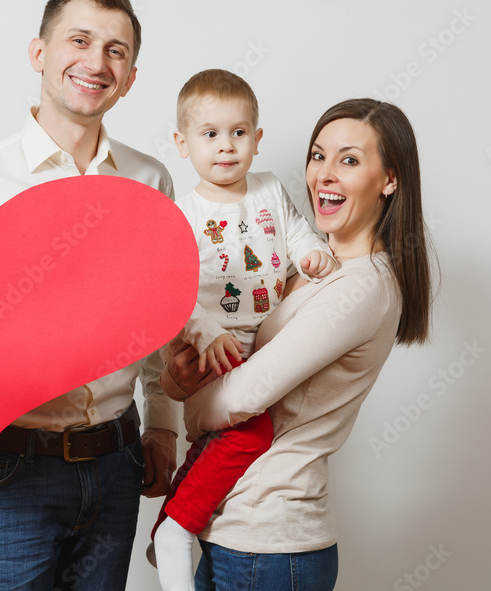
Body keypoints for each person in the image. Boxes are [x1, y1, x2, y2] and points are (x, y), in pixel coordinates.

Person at [0, 0, 180, 591]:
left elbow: (166, 316)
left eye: (116, 50)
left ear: (131, 77)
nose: (96, 62)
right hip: (11, 466)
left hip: (118, 461)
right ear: (39, 53)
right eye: (79, 40)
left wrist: (163, 425)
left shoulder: (150, 179)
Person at [161, 98, 433, 590]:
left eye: (349, 160)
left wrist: (194, 411)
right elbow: (222, 359)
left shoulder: (362, 287)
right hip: (233, 531)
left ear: (389, 180)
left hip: (271, 542)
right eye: (317, 155)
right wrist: (175, 382)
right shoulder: (306, 267)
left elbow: (245, 396)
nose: (324, 174)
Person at [147, 69, 337, 591]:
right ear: (183, 144)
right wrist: (206, 332)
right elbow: (172, 293)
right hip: (217, 350)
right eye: (209, 134)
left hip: (270, 340)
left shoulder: (271, 190)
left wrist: (311, 254)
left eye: (238, 133)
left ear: (257, 138)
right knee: (248, 432)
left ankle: (185, 514)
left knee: (245, 441)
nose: (225, 147)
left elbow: (297, 232)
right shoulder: (183, 215)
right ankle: (177, 528)